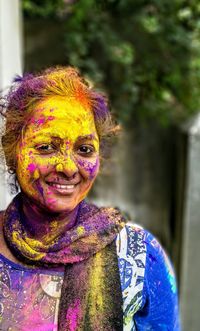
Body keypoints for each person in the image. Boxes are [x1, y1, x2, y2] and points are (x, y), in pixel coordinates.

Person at [0, 66, 180, 331]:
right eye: (46, 147)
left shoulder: (138, 256)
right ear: (13, 153)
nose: (69, 168)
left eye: (84, 149)